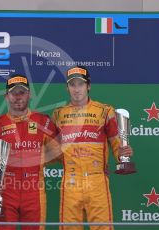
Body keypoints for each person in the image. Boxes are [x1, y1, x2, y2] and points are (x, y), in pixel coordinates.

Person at [52, 66, 133, 230]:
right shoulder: (58, 115)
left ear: (88, 86)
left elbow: (117, 144)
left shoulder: (104, 111)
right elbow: (53, 152)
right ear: (67, 87)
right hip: (70, 181)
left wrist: (123, 155)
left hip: (97, 181)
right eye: (72, 85)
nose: (76, 89)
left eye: (80, 84)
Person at [0, 74, 60, 230]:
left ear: (29, 95)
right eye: (13, 93)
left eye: (22, 92)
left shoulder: (43, 122)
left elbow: (61, 153)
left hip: (34, 192)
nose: (17, 97)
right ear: (6, 96)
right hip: (5, 192)